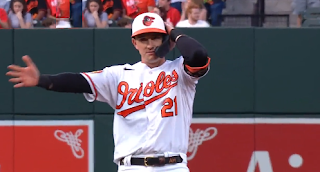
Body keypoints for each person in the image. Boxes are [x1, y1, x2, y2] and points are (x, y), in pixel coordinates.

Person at [6, 12, 210, 172]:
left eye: (156, 38)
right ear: (134, 43)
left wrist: (173, 32)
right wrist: (42, 80)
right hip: (132, 167)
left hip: (173, 166)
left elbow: (198, 54)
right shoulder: (119, 75)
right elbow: (77, 82)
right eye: (143, 38)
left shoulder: (180, 71)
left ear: (165, 40)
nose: (150, 45)